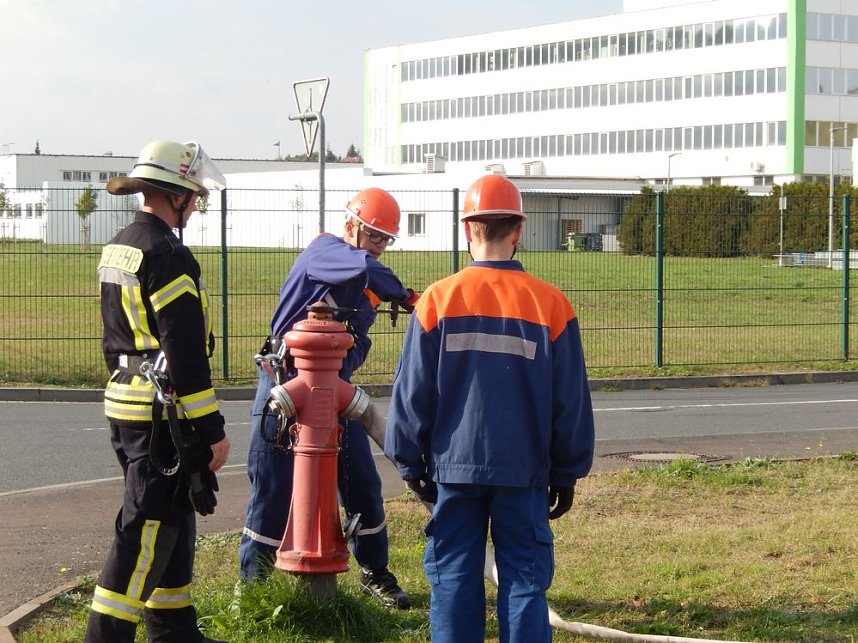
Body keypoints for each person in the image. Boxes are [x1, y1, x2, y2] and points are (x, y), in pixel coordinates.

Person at [384, 174, 595, 642]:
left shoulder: (437, 300)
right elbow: (570, 400)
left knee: (455, 574)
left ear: (467, 230)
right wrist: (567, 470)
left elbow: (412, 392)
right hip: (525, 471)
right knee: (524, 577)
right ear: (518, 230)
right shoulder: (551, 305)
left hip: (452, 467)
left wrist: (409, 460)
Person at [238, 187, 419, 609]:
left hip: (334, 391)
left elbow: (358, 327)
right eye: (374, 236)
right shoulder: (326, 252)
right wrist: (408, 296)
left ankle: (375, 573)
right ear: (351, 226)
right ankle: (252, 589)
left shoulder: (365, 275)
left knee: (361, 482)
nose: (378, 247)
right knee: (272, 487)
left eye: (384, 239)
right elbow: (366, 270)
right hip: (285, 384)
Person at [85, 140, 231, 643]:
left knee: (172, 515)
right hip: (160, 411)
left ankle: (173, 631)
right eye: (194, 195)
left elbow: (114, 336)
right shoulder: (168, 254)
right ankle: (104, 637)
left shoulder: (120, 244)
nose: (196, 204)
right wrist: (211, 429)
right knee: (146, 527)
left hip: (127, 399)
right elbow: (185, 351)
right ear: (177, 195)